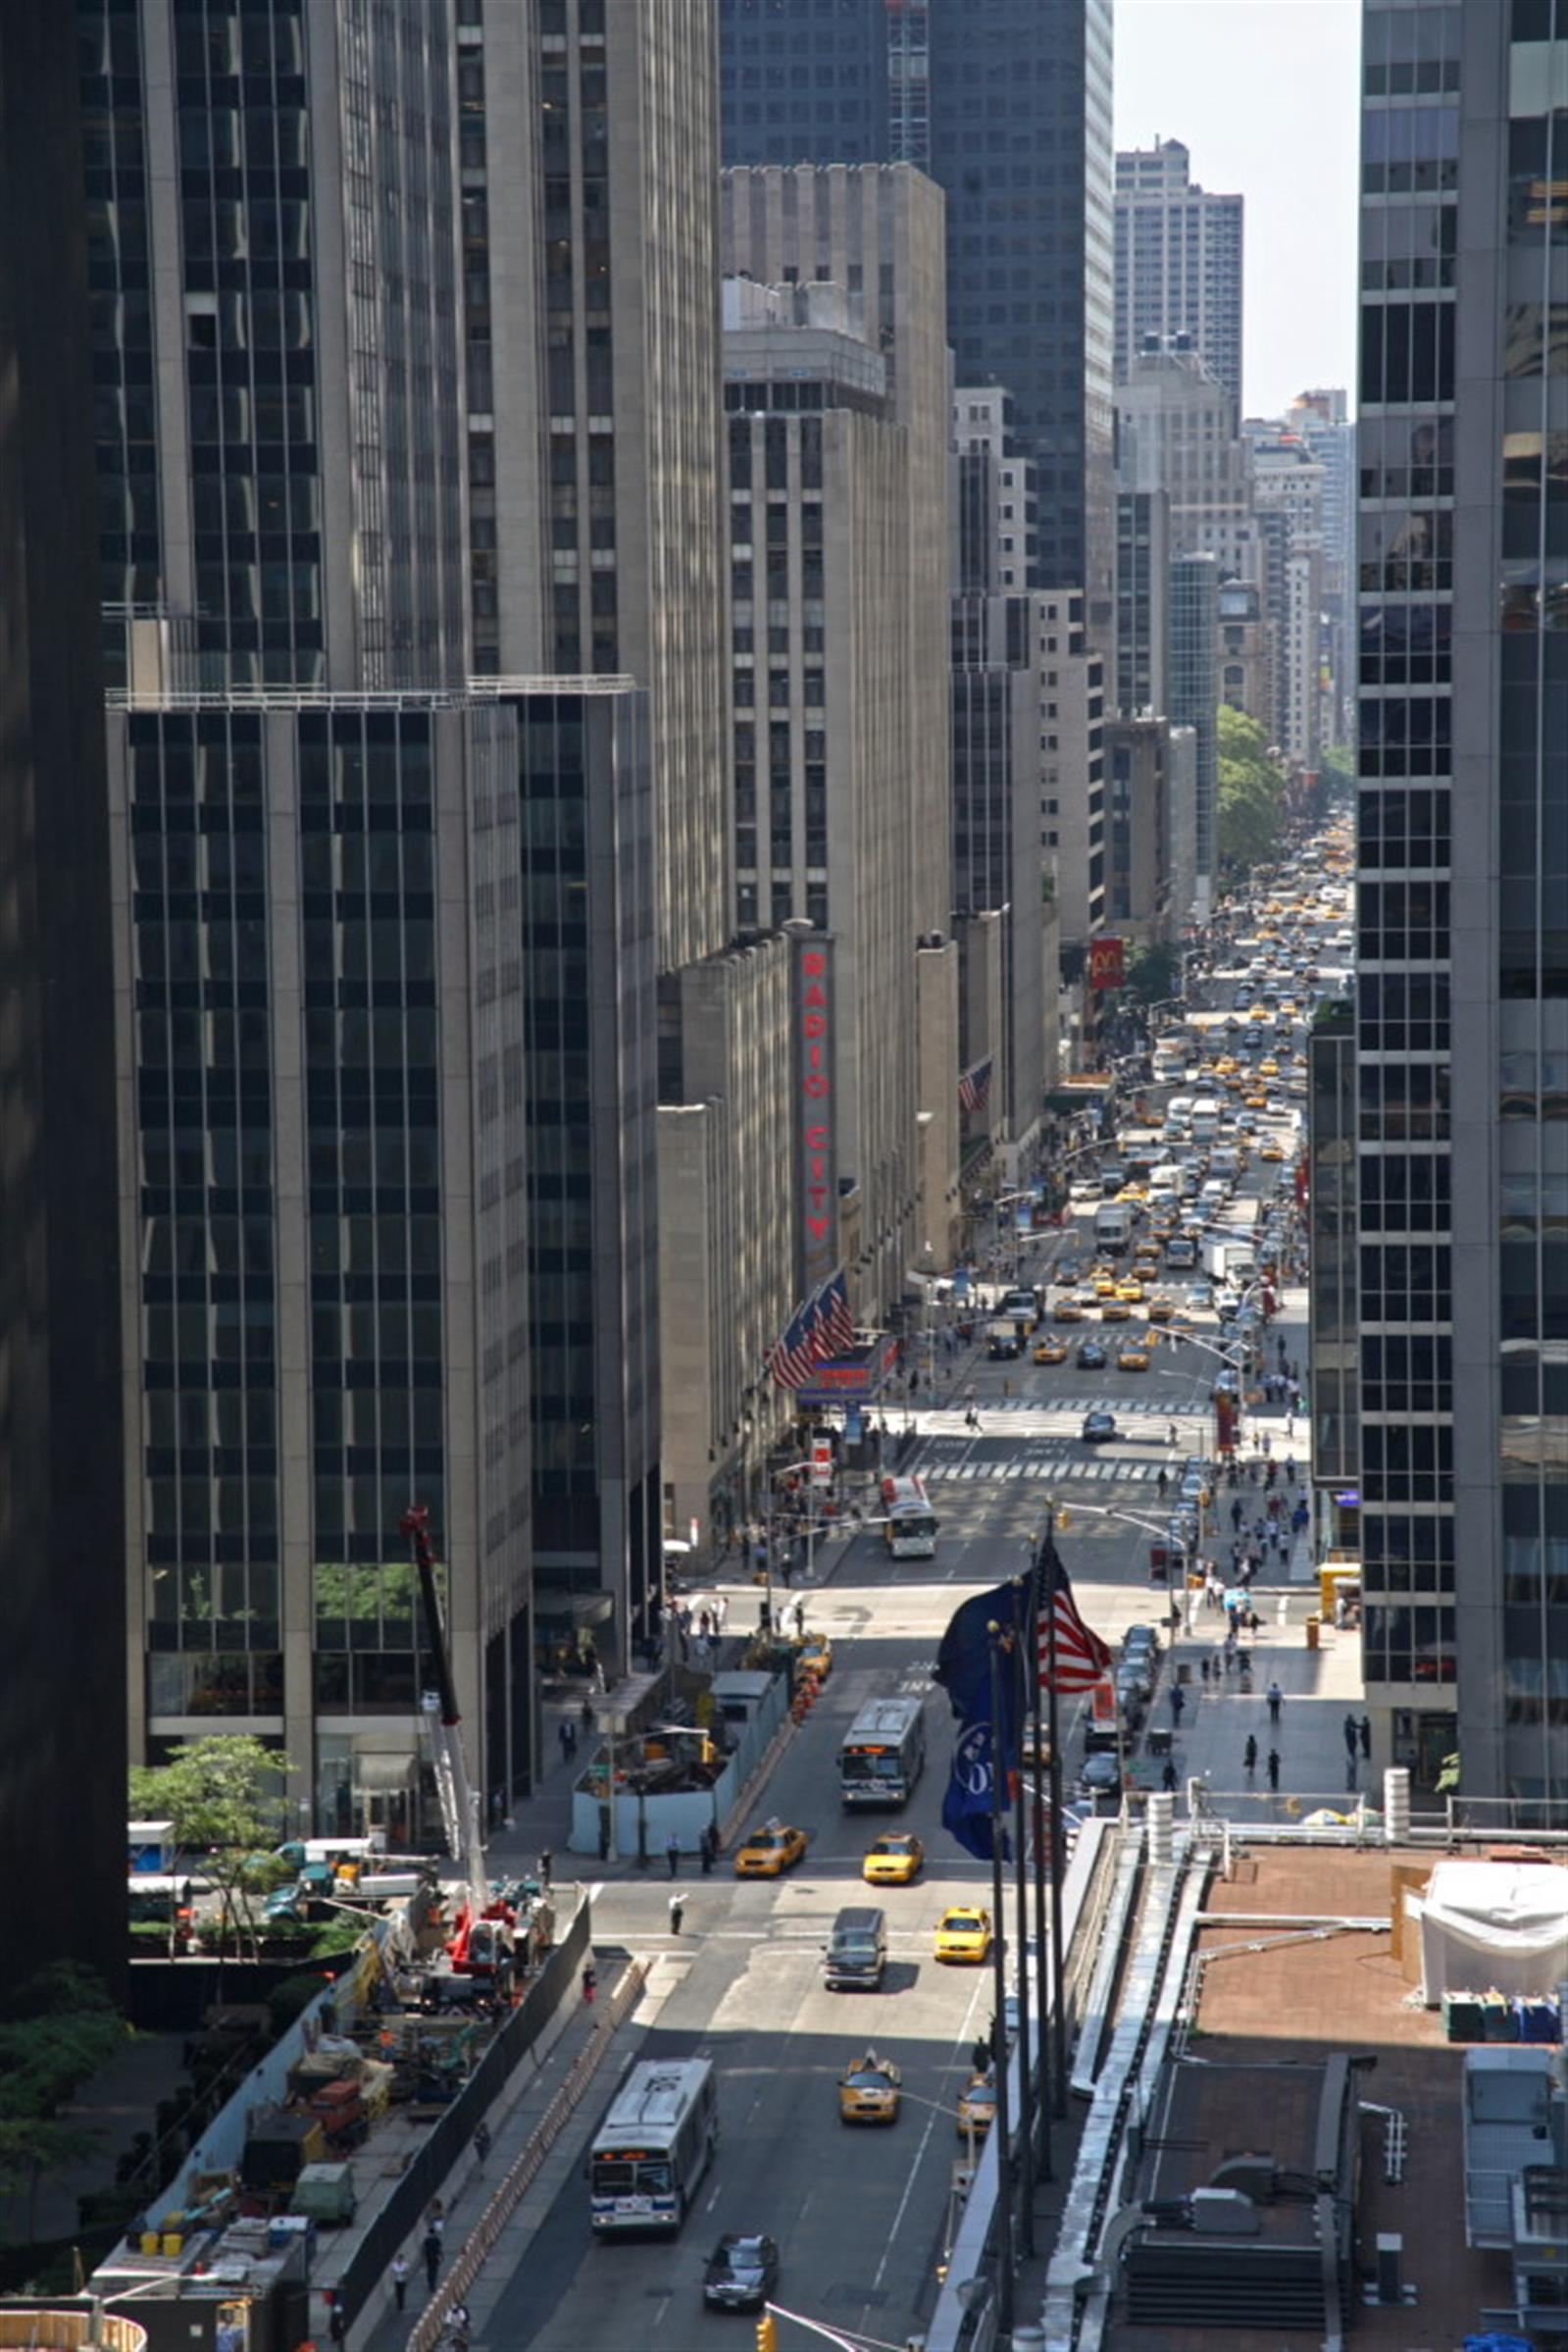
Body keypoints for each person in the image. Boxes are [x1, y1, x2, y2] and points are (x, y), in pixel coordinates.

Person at [422, 2226, 442, 2294]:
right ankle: (433, 2285)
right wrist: (441, 2257)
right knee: (434, 2272)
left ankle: (430, 2285)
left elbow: (424, 2251)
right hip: (435, 2259)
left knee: (429, 2272)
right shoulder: (437, 2240)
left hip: (429, 2259)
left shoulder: (426, 2241)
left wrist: (424, 2259)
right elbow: (439, 2249)